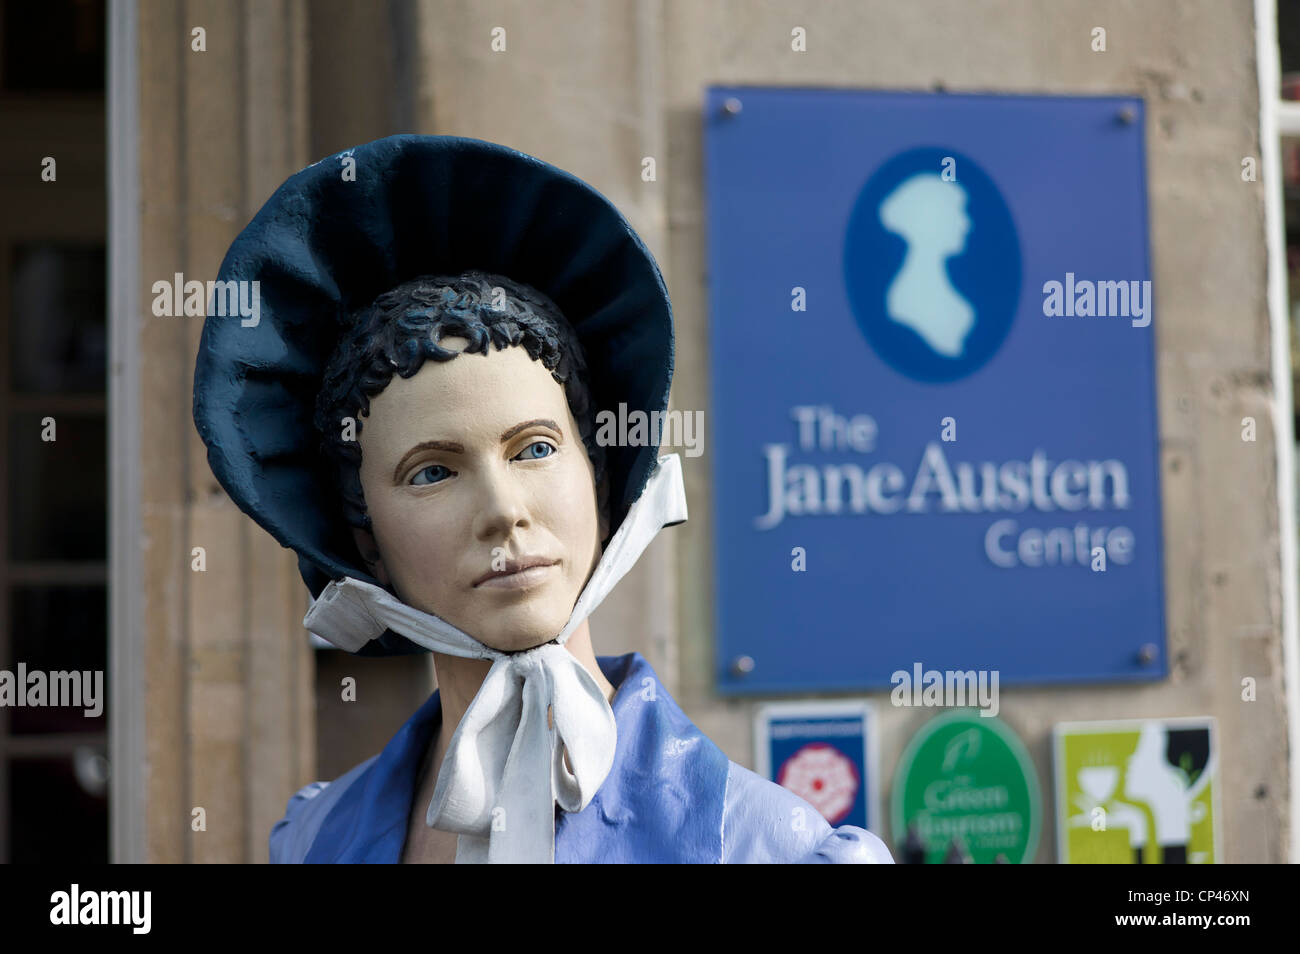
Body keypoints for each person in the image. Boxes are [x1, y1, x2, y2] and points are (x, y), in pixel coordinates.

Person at [192, 134, 894, 864]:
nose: (503, 509)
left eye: (534, 449)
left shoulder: (767, 848)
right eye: (432, 472)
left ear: (595, 474)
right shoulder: (314, 841)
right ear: (364, 537)